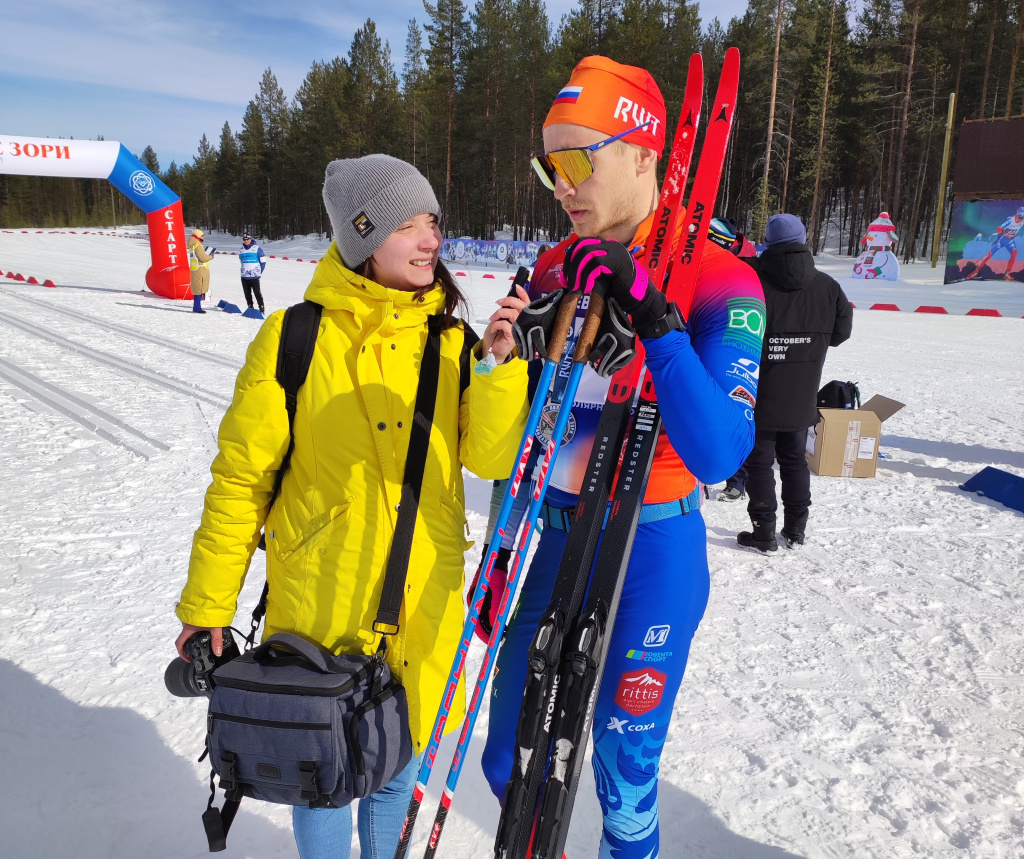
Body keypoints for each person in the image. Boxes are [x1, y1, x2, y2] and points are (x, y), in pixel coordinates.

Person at [172, 154, 529, 859]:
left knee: (396, 770)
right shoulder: (294, 338)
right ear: (364, 235)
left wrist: (495, 367)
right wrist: (206, 606)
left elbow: (491, 462)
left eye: (433, 222)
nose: (431, 239)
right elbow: (241, 482)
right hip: (319, 608)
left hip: (420, 605)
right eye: (409, 224)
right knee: (323, 773)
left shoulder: (453, 342)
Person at [479, 56, 766, 859]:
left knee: (617, 762)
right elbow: (517, 427)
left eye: (578, 161)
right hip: (562, 531)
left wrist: (656, 321)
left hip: (654, 545)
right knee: (509, 758)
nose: (561, 186)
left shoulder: (723, 278)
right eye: (549, 168)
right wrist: (503, 358)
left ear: (643, 154)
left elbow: (719, 451)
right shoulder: (552, 268)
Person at [736, 213, 853, 552]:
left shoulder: (751, 281)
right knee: (794, 461)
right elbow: (840, 334)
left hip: (758, 393)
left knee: (759, 464)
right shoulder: (828, 286)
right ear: (803, 240)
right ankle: (796, 531)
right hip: (802, 393)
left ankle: (763, 533)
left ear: (768, 243)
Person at [966, 205, 1024, 281]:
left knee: (1014, 254)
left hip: (1010, 241)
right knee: (988, 255)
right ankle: (976, 271)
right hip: (1001, 240)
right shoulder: (1010, 220)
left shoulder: (1022, 220)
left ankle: (1007, 274)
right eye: (1020, 217)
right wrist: (1004, 231)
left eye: (1022, 218)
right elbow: (998, 229)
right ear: (1017, 214)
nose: (1021, 219)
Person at [239, 232, 267, 312]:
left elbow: (263, 262)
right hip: (244, 276)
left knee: (257, 293)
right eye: (244, 239)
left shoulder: (257, 248)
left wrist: (259, 272)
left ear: (250, 239)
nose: (246, 241)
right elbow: (241, 261)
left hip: (254, 276)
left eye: (247, 239)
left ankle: (261, 308)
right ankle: (250, 306)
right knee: (247, 293)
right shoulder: (241, 249)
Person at [187, 228, 213, 313]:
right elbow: (203, 258)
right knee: (199, 289)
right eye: (202, 236)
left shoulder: (193, 244)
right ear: (197, 236)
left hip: (195, 269)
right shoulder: (197, 245)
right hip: (200, 269)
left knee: (197, 288)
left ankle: (197, 307)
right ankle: (197, 308)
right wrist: (211, 256)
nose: (203, 238)